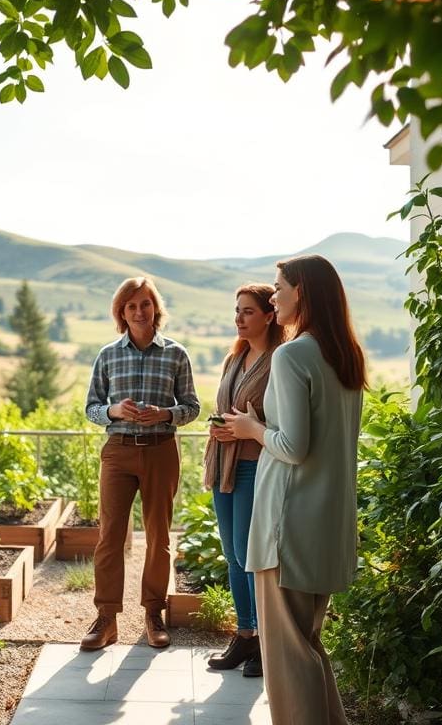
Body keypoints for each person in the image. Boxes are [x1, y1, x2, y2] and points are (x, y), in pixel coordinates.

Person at [224, 254, 365, 725]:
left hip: (289, 526)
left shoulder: (291, 354)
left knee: (287, 659)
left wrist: (251, 428)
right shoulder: (344, 354)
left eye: (280, 286)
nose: (275, 294)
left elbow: (292, 445)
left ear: (301, 291)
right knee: (306, 646)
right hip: (328, 525)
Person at [82, 276, 200, 650]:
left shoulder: (176, 354)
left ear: (155, 309)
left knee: (158, 537)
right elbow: (91, 408)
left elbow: (192, 408)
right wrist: (113, 411)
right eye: (130, 305)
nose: (138, 311)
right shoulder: (108, 355)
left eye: (145, 304)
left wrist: (165, 414)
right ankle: (106, 618)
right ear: (121, 312)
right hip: (117, 451)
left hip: (161, 450)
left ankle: (153, 612)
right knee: (110, 537)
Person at [203, 283, 285, 676]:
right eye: (237, 310)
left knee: (250, 555)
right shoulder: (233, 359)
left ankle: (266, 646)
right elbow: (228, 409)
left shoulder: (279, 361)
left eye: (248, 311)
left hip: (256, 465)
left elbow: (281, 421)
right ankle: (245, 636)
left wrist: (245, 429)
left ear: (270, 315)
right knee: (233, 557)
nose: (238, 318)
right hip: (225, 465)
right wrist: (220, 427)